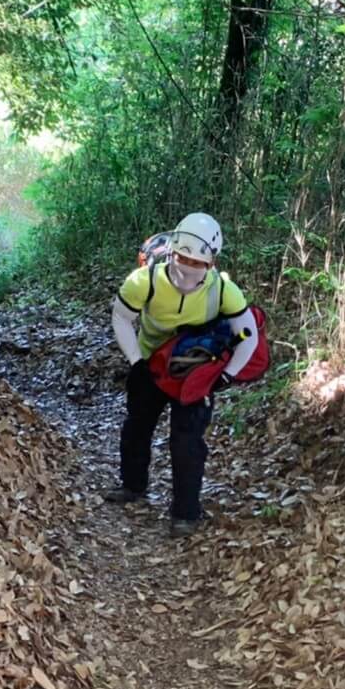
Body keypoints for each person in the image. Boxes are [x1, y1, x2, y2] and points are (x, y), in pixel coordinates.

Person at [104, 212, 259, 537]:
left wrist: (226, 376)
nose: (188, 269)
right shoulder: (143, 281)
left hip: (194, 374)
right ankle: (133, 486)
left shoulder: (224, 291)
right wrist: (136, 362)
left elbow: (248, 335)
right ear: (171, 253)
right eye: (182, 258)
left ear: (211, 263)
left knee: (187, 440)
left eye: (197, 263)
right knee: (137, 427)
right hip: (149, 364)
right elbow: (121, 318)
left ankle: (186, 513)